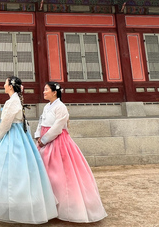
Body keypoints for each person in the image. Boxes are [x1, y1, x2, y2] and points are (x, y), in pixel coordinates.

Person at [0, 76, 58, 224]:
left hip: (12, 136)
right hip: (20, 136)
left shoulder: (12, 102)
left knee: (8, 170)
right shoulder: (17, 100)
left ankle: (12, 204)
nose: (3, 85)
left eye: (5, 83)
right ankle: (21, 202)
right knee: (23, 170)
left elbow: (5, 123)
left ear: (10, 86)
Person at [35, 82, 107, 223]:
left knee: (59, 175)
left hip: (57, 142)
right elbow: (40, 122)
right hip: (43, 140)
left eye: (46, 90)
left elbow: (57, 127)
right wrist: (38, 135)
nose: (44, 92)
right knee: (45, 174)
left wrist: (44, 139)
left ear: (54, 92)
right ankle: (47, 206)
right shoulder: (46, 106)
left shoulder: (61, 107)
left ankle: (65, 207)